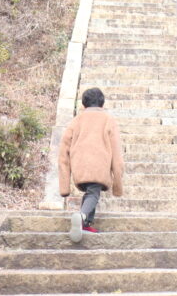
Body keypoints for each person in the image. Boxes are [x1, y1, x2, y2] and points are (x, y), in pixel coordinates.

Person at [58, 87, 124, 242]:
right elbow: (116, 153)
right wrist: (118, 182)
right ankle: (81, 216)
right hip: (100, 163)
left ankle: (86, 223)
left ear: (83, 103)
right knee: (94, 192)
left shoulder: (75, 121)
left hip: (79, 163)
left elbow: (63, 153)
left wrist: (64, 186)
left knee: (91, 191)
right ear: (102, 103)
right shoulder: (109, 120)